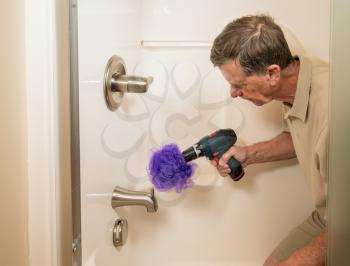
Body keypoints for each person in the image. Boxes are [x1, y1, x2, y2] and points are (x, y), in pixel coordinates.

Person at [210, 15, 328, 265]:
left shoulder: (332, 112)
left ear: (272, 73)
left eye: (238, 84)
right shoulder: (296, 78)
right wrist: (248, 154)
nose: (233, 93)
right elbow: (305, 136)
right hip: (328, 214)